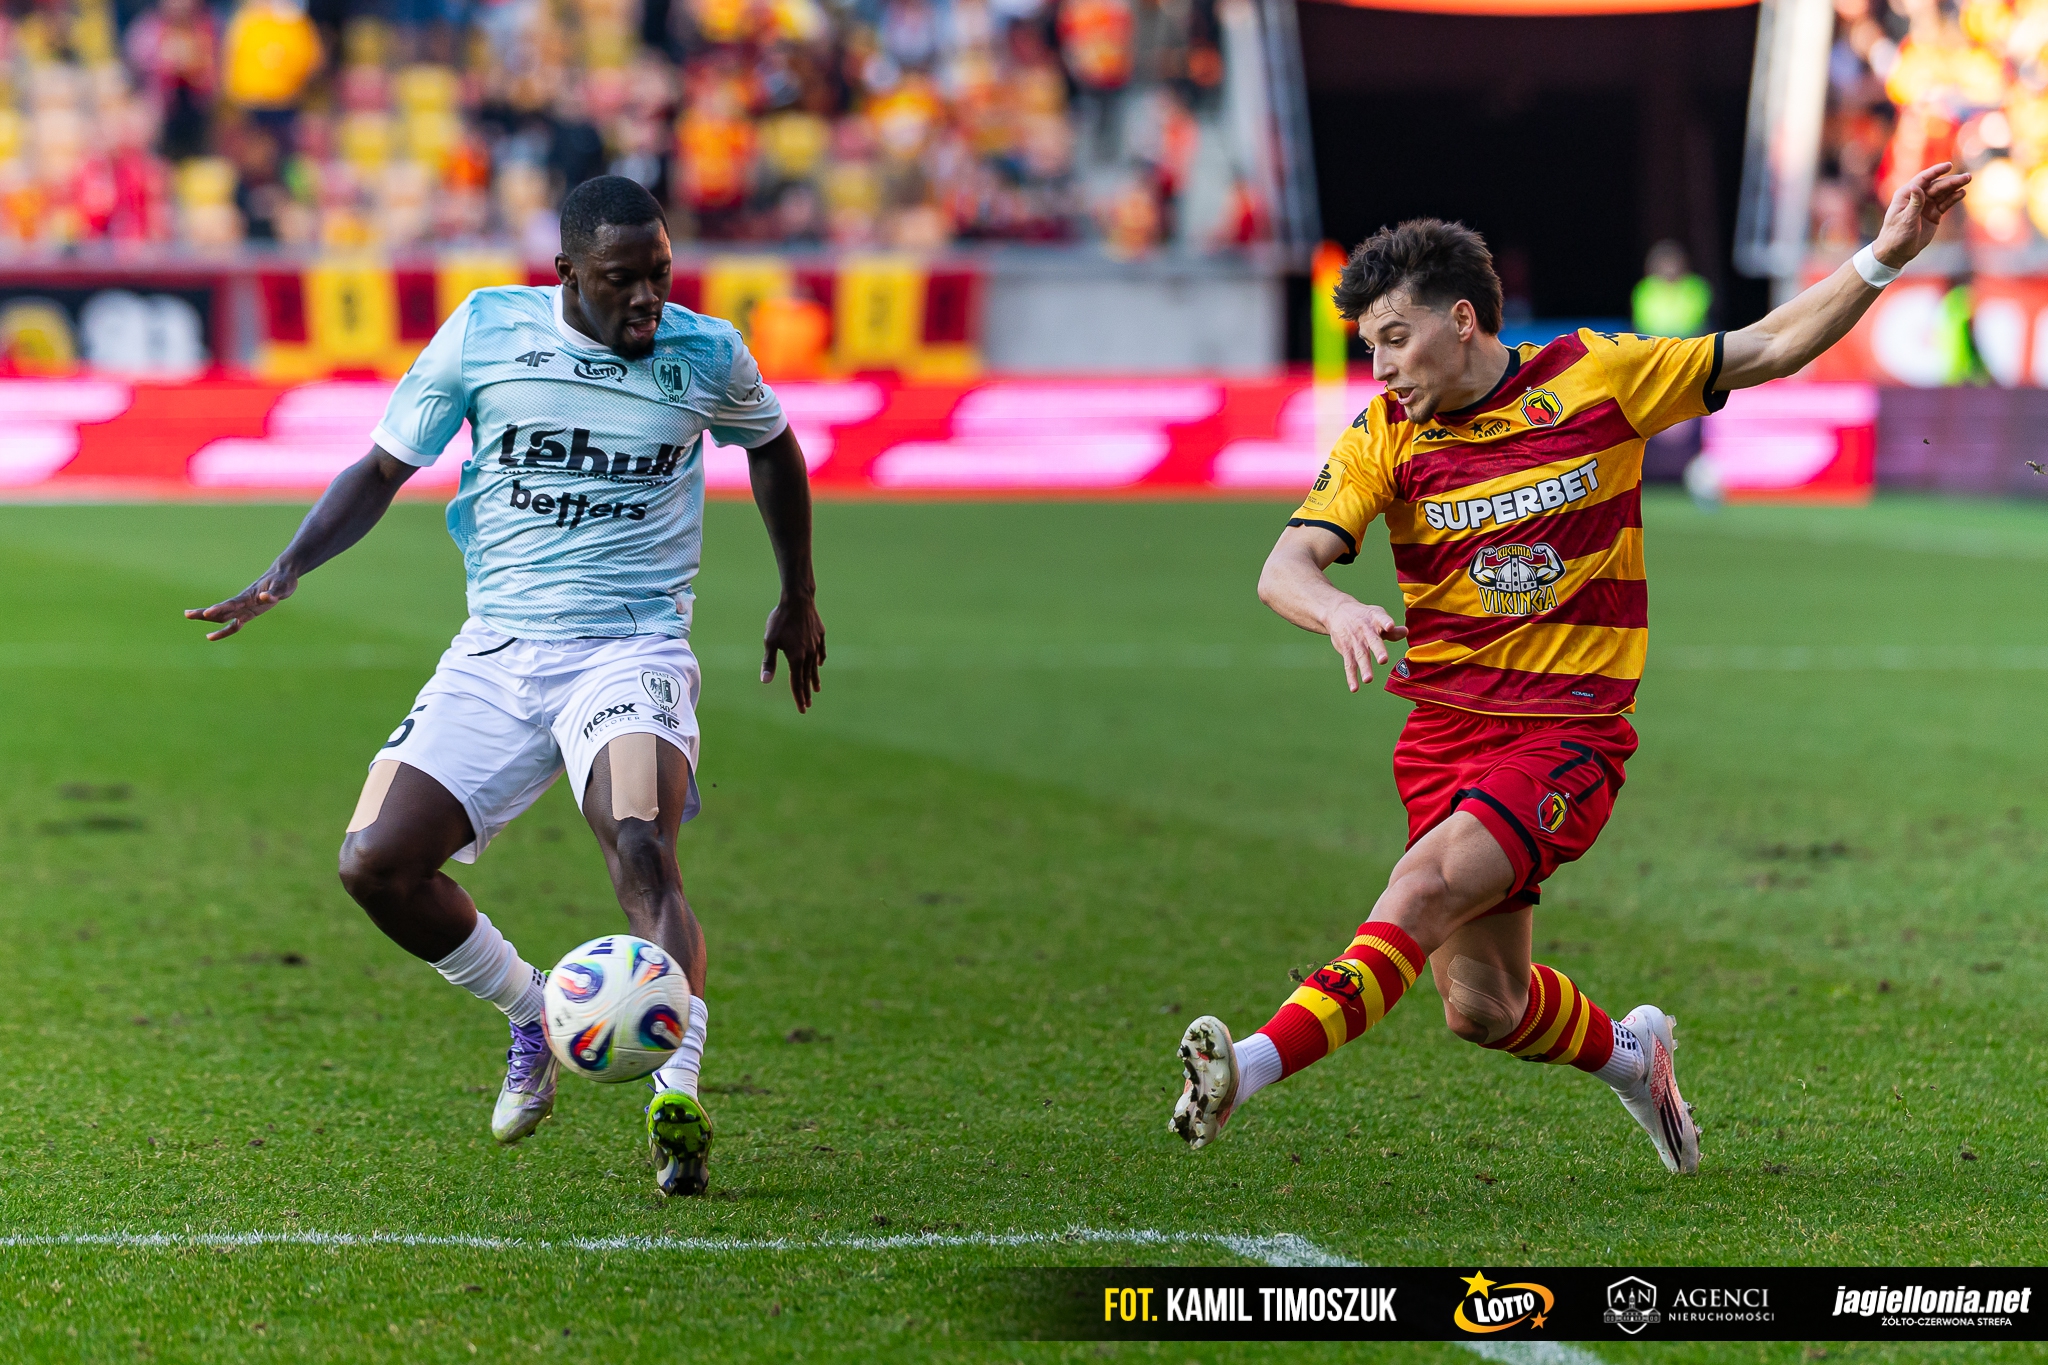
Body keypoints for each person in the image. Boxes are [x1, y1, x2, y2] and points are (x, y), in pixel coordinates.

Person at [1169, 162, 1969, 1173]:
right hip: (1442, 739)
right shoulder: (1383, 437)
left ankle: (1242, 1069)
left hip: (1565, 734)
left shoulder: (1596, 377)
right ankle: (1636, 1059)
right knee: (1483, 1005)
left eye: (1394, 339)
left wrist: (1882, 257)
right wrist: (1337, 609)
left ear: (1462, 319)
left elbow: (1767, 345)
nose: (1378, 368)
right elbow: (1283, 567)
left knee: (1418, 889)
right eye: (1368, 346)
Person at [186, 176, 825, 1198]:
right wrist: (285, 570)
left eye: (660, 276)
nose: (646, 300)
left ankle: (678, 1101)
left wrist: (797, 594)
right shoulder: (487, 332)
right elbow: (383, 468)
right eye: (621, 280)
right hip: (497, 651)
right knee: (374, 864)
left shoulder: (705, 353)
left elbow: (775, 448)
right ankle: (534, 1013)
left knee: (641, 846)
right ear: (567, 272)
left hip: (630, 650)